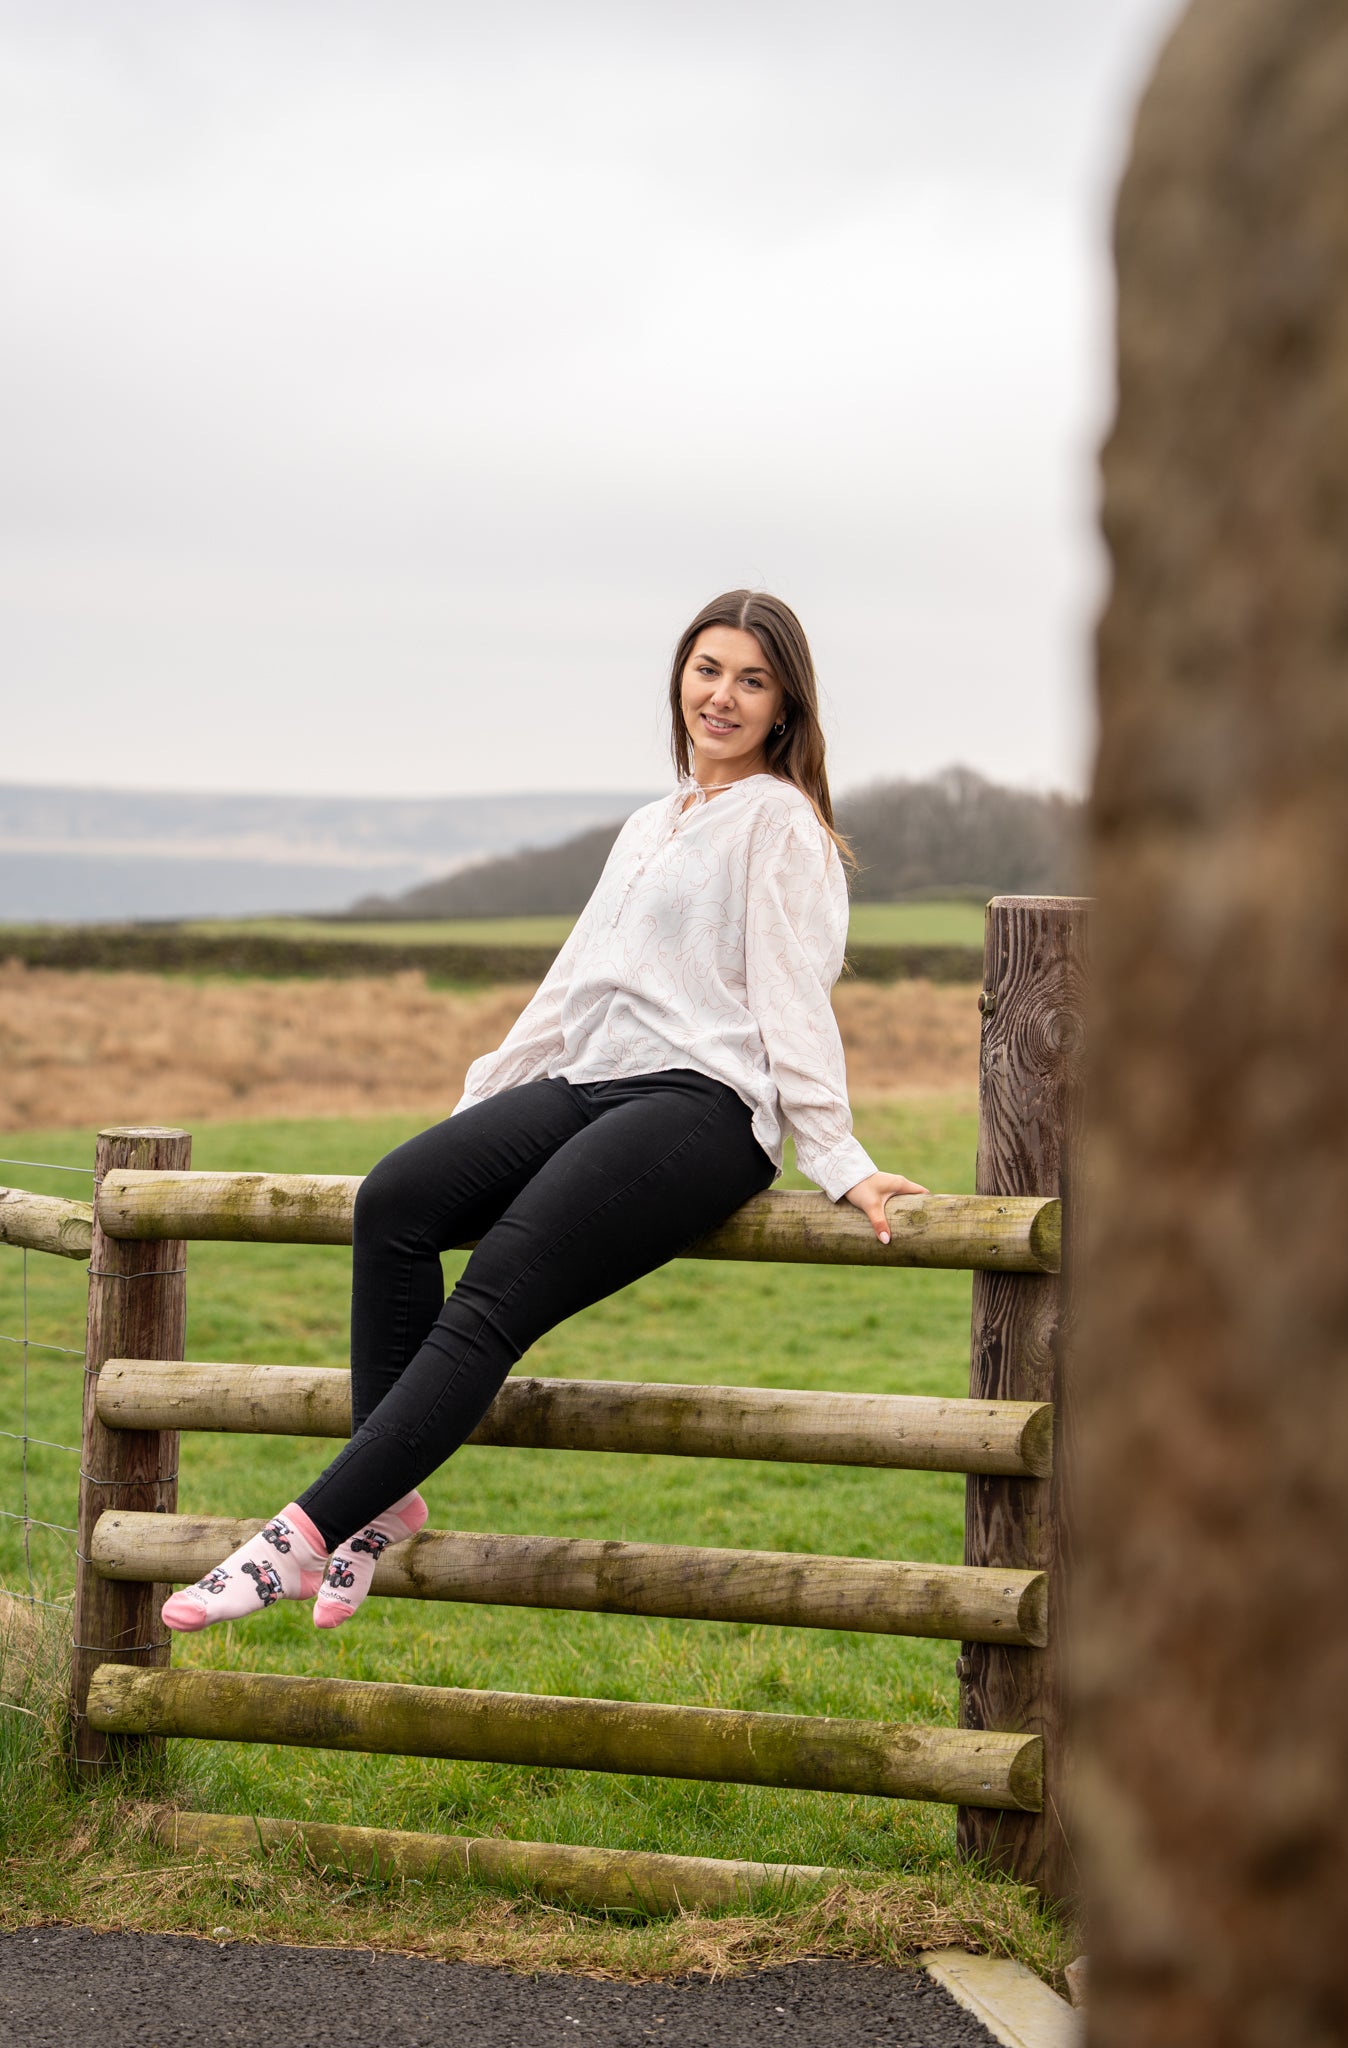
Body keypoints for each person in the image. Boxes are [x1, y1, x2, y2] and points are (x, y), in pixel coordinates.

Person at [163, 590, 925, 1635]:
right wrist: (478, 1110)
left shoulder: (780, 823)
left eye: (752, 680)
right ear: (680, 677)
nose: (723, 695)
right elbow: (574, 986)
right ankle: (381, 1504)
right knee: (397, 1197)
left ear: (784, 705)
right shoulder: (651, 823)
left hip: (703, 1104)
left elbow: (794, 996)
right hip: (592, 1079)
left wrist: (838, 1157)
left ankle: (300, 1538)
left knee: (498, 1286)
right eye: (708, 669)